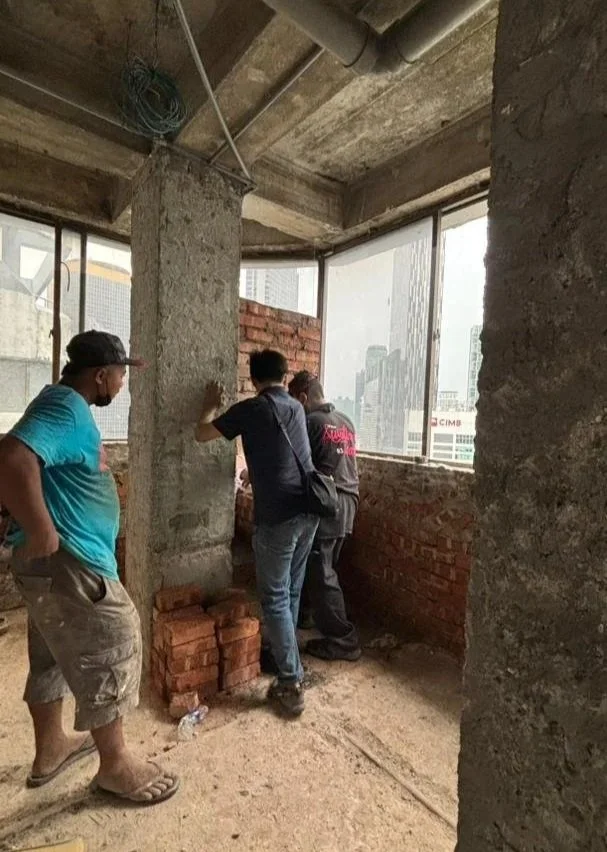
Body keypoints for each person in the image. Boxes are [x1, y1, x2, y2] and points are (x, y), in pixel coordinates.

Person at [0, 331, 179, 805]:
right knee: (114, 639)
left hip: (52, 568)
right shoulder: (66, 407)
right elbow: (12, 457)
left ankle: (51, 749)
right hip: (70, 564)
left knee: (54, 654)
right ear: (101, 375)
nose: (122, 385)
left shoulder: (63, 405)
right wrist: (42, 530)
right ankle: (116, 765)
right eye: (121, 376)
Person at [195, 349, 319, 717]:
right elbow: (284, 456)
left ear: (253, 379)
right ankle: (286, 659)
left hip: (278, 516)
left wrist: (208, 406)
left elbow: (201, 434)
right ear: (284, 377)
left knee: (275, 598)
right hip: (309, 511)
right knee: (291, 592)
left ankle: (291, 681)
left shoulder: (251, 409)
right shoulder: (297, 408)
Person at [288, 371, 362, 662]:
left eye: (295, 403)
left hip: (327, 505)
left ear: (303, 398)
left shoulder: (309, 422)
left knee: (322, 573)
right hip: (348, 502)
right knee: (322, 565)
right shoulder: (346, 421)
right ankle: (307, 615)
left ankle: (344, 639)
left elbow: (295, 465)